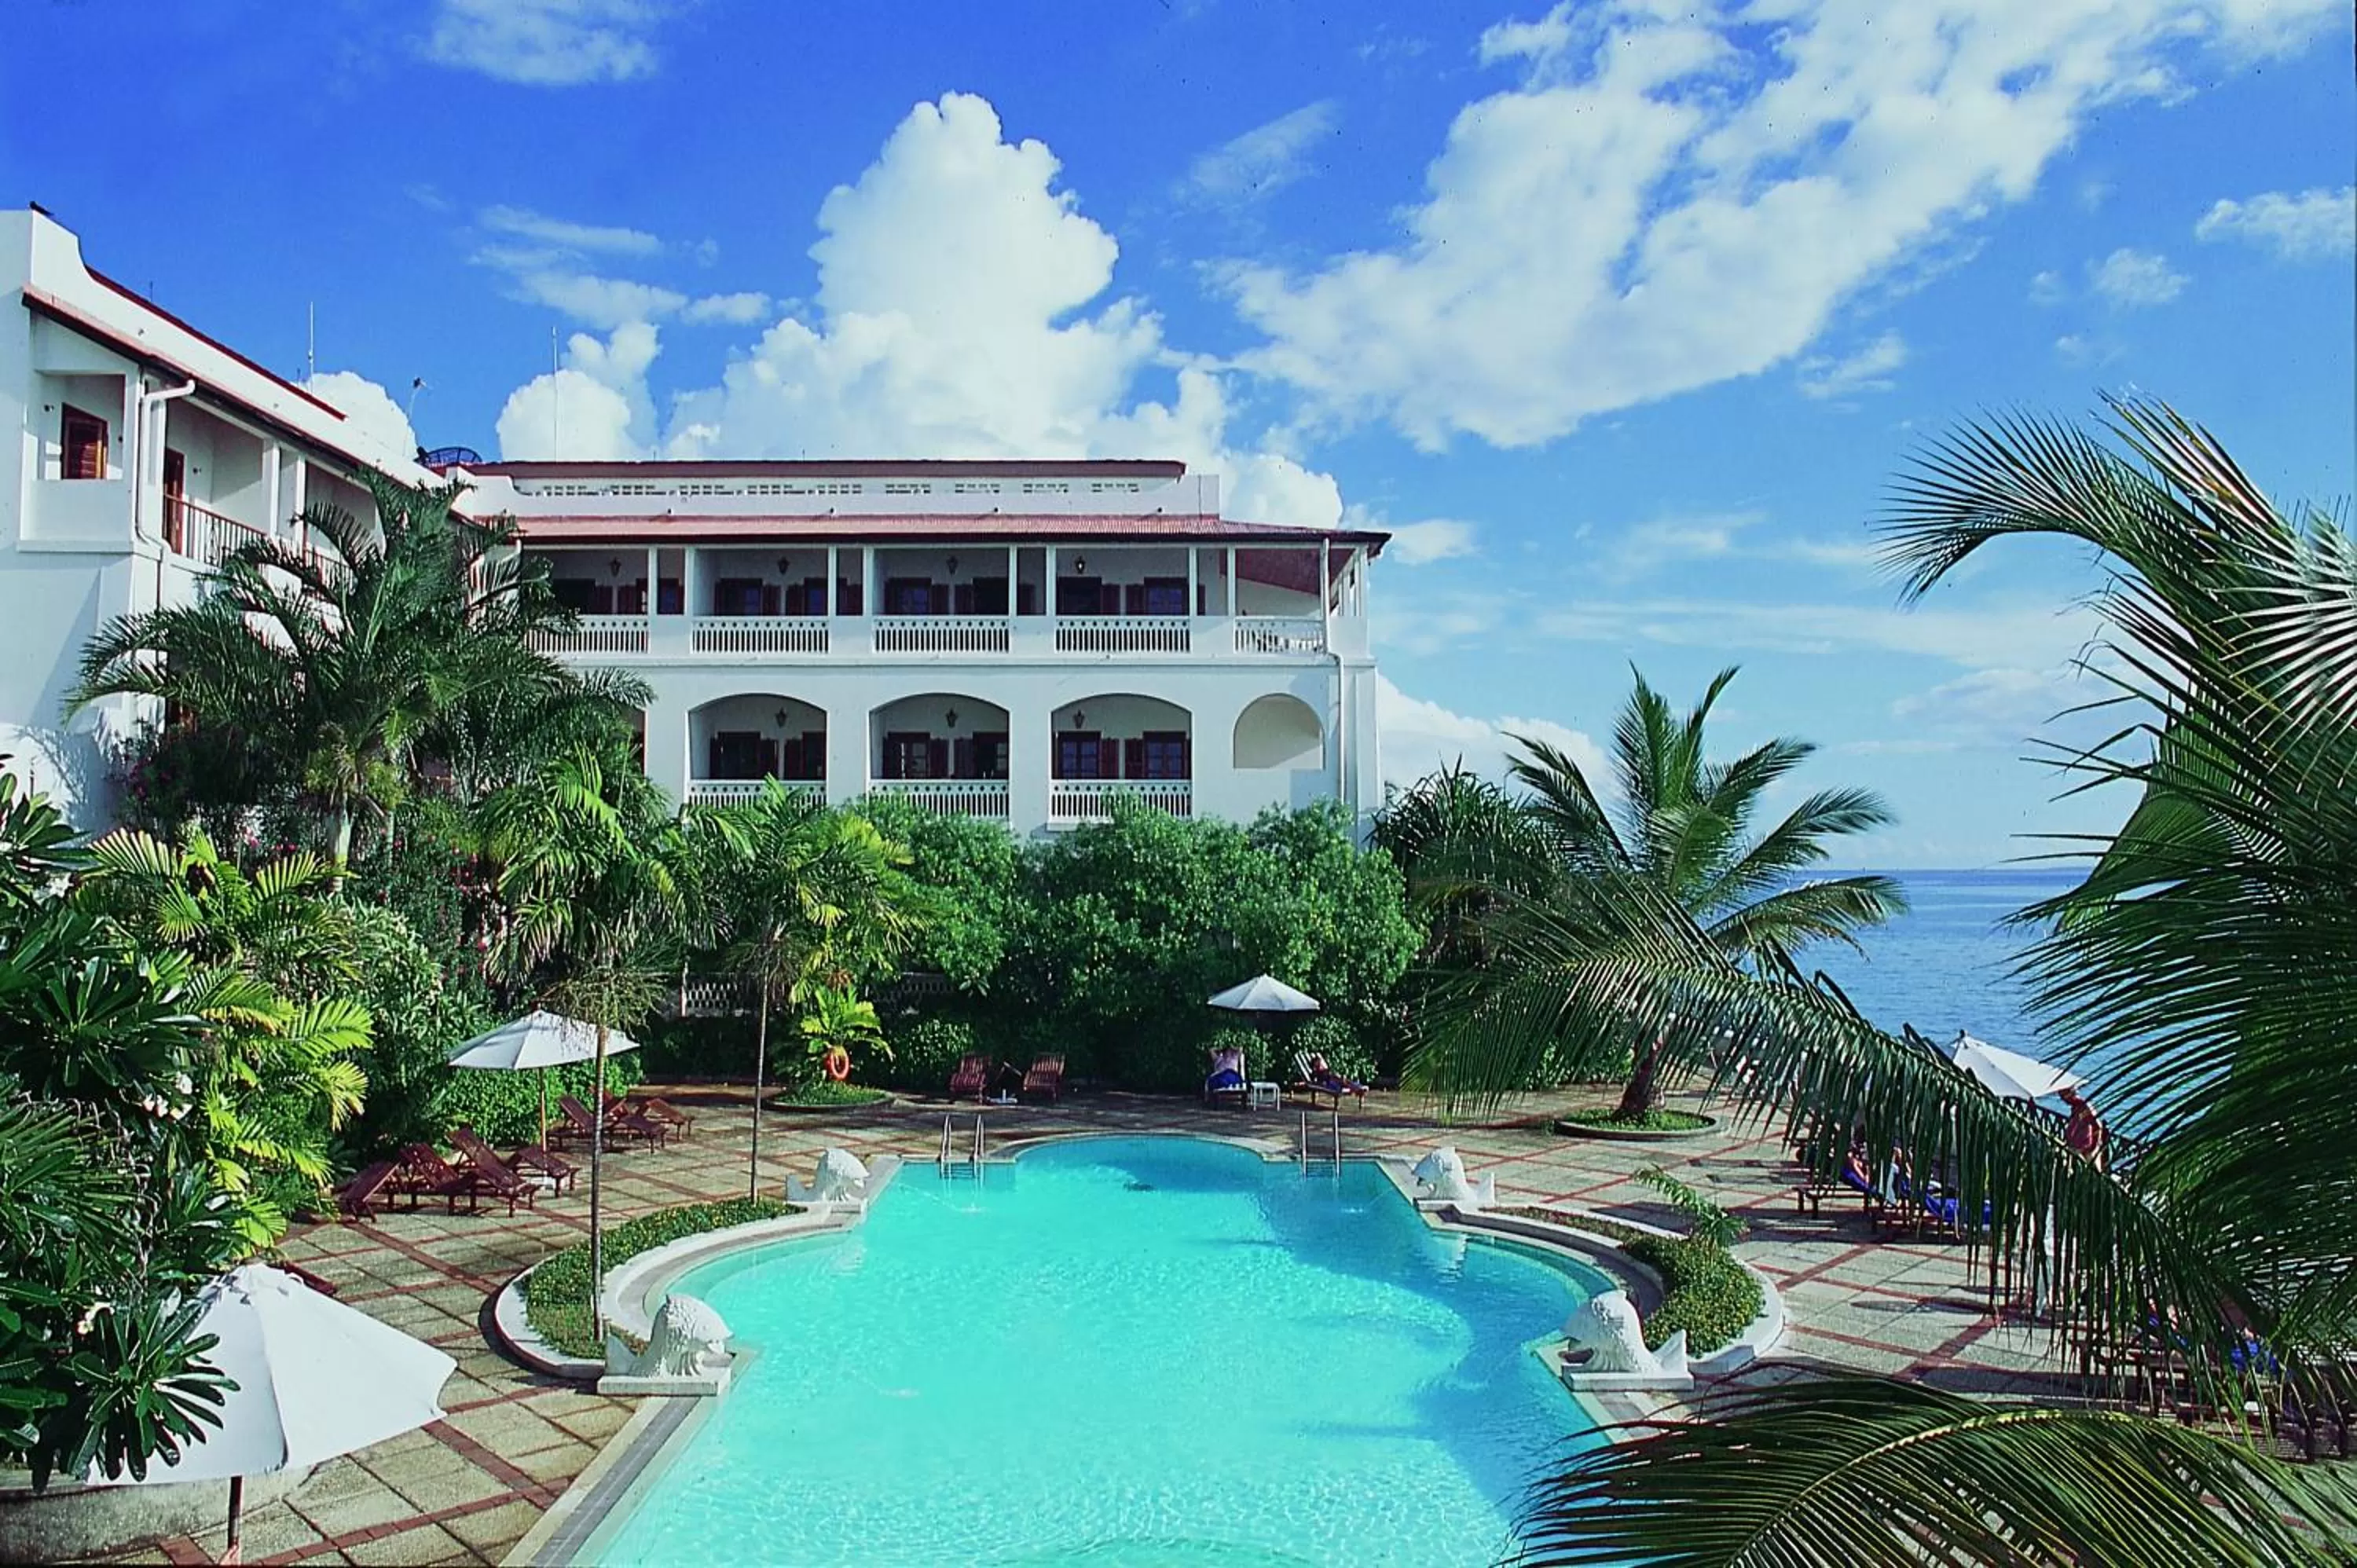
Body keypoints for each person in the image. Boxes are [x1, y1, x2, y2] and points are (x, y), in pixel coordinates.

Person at [2061, 1087, 2108, 1171]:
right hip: (2077, 1145)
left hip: (2087, 1146)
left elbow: (2097, 1125)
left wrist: (2094, 1146)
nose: (2063, 1100)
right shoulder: (2075, 1107)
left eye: (2063, 1096)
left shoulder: (2084, 1105)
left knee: (2093, 1170)